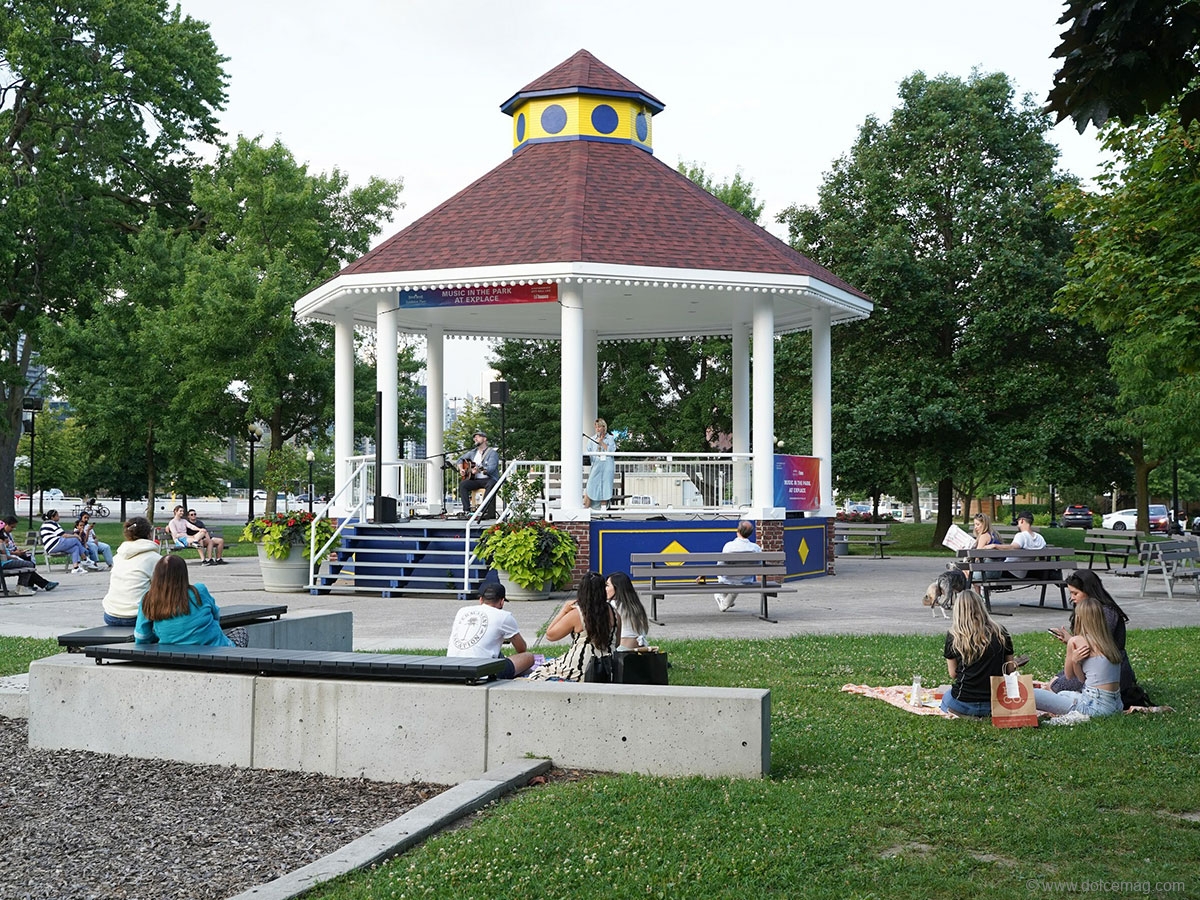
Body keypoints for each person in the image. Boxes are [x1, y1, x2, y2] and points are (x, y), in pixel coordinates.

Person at [1048, 570, 1146, 708]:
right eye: (1071, 593)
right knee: (1055, 681)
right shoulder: (1090, 611)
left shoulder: (1106, 613)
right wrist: (1071, 640)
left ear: (1088, 591)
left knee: (1055, 686)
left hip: (1105, 672)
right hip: (1090, 666)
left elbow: (1095, 646)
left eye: (1075, 593)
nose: (1072, 598)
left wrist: (1072, 642)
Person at [1033, 596, 1124, 717]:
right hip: (1115, 706)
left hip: (1093, 707)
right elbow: (1083, 680)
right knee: (1063, 694)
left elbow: (1069, 676)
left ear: (1079, 618)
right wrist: (1076, 662)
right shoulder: (1109, 643)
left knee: (1032, 695)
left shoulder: (1075, 641)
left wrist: (1072, 657)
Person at [134, 554, 248, 647]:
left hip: (172, 652)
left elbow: (141, 636)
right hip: (215, 648)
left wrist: (159, 637)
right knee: (241, 632)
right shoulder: (199, 591)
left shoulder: (148, 599)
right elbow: (216, 615)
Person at [528, 571, 620, 682]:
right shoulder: (614, 613)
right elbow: (617, 642)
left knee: (540, 672)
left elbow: (550, 635)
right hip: (608, 667)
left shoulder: (578, 614)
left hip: (581, 668)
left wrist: (563, 611)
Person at [939, 588, 1016, 717]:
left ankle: (962, 713)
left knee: (947, 696)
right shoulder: (1000, 632)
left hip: (962, 702)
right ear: (981, 607)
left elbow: (953, 673)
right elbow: (1009, 669)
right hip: (996, 703)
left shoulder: (954, 636)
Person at [446, 582, 534, 678]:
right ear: (502, 602)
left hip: (452, 667)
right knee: (528, 657)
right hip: (482, 672)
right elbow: (521, 649)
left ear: (481, 600)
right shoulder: (504, 616)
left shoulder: (462, 611)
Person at [101, 517, 161, 627]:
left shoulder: (118, 557)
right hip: (137, 616)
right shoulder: (155, 559)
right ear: (149, 534)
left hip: (111, 614)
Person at [711, 520, 762, 612]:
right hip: (747, 580)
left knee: (722, 577)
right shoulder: (756, 548)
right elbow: (760, 565)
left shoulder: (729, 546)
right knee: (736, 581)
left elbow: (720, 566)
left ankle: (723, 602)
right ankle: (726, 601)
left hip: (728, 580)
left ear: (738, 530)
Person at [1, 515, 57, 593]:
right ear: (6, 525)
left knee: (29, 558)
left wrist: (18, 551)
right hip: (6, 560)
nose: (13, 529)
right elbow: (4, 552)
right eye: (12, 527)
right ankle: (35, 585)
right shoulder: (2, 537)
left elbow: (9, 548)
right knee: (28, 564)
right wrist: (15, 554)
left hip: (10, 556)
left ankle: (30, 584)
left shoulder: (8, 535)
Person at [988, 510, 1046, 578]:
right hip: (1023, 573)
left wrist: (995, 546)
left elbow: (1013, 547)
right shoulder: (1040, 538)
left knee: (988, 565)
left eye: (1017, 522)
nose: (1017, 525)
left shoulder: (1021, 536)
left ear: (1022, 521)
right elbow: (1043, 558)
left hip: (1009, 570)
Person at [458, 430, 500, 518]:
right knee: (463, 484)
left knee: (491, 484)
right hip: (476, 480)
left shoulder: (492, 453)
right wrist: (461, 469)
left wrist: (479, 470)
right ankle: (466, 510)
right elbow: (460, 459)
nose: (475, 439)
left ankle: (483, 511)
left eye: (478, 437)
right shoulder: (473, 452)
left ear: (484, 439)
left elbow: (491, 469)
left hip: (489, 479)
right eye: (474, 437)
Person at [39, 510, 96, 574]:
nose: (59, 516)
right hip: (54, 544)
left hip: (51, 546)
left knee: (75, 548)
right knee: (76, 540)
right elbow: (64, 535)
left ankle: (76, 568)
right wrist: (76, 536)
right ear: (52, 517)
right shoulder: (53, 524)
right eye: (57, 515)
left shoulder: (44, 524)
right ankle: (85, 559)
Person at [606, 570, 650, 649]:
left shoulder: (613, 605)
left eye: (607, 585)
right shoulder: (635, 605)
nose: (605, 589)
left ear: (617, 588)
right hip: (641, 648)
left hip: (622, 650)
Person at [583, 418, 617, 509]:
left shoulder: (610, 438)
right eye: (596, 427)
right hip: (596, 467)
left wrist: (602, 443)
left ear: (604, 427)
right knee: (590, 487)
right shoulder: (592, 439)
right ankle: (585, 509)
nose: (597, 429)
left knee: (605, 489)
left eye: (599, 427)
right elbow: (588, 453)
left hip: (606, 467)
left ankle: (603, 511)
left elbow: (612, 450)